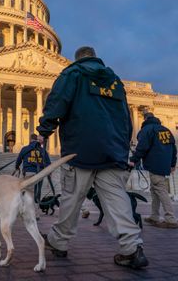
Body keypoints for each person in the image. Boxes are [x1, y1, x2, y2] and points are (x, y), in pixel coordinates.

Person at [37, 46, 148, 269]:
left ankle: (59, 242)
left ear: (77, 59)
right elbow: (126, 118)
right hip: (112, 150)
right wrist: (123, 147)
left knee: (72, 197)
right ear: (95, 58)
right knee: (117, 200)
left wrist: (44, 131)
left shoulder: (72, 74)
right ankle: (132, 248)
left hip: (81, 148)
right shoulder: (115, 81)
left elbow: (57, 103)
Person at [130, 112, 178, 228]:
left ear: (145, 119)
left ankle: (170, 218)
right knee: (155, 189)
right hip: (164, 164)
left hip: (154, 164)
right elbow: (173, 148)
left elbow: (142, 147)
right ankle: (154, 216)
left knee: (160, 189)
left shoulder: (146, 130)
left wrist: (134, 159)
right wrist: (172, 164)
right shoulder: (166, 130)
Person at [15, 134, 51, 218]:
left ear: (30, 140)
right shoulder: (42, 150)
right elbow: (48, 163)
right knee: (37, 193)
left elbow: (18, 160)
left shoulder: (25, 149)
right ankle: (36, 213)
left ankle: (26, 211)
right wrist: (49, 173)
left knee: (27, 192)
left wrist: (17, 168)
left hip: (28, 172)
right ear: (37, 140)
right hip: (40, 173)